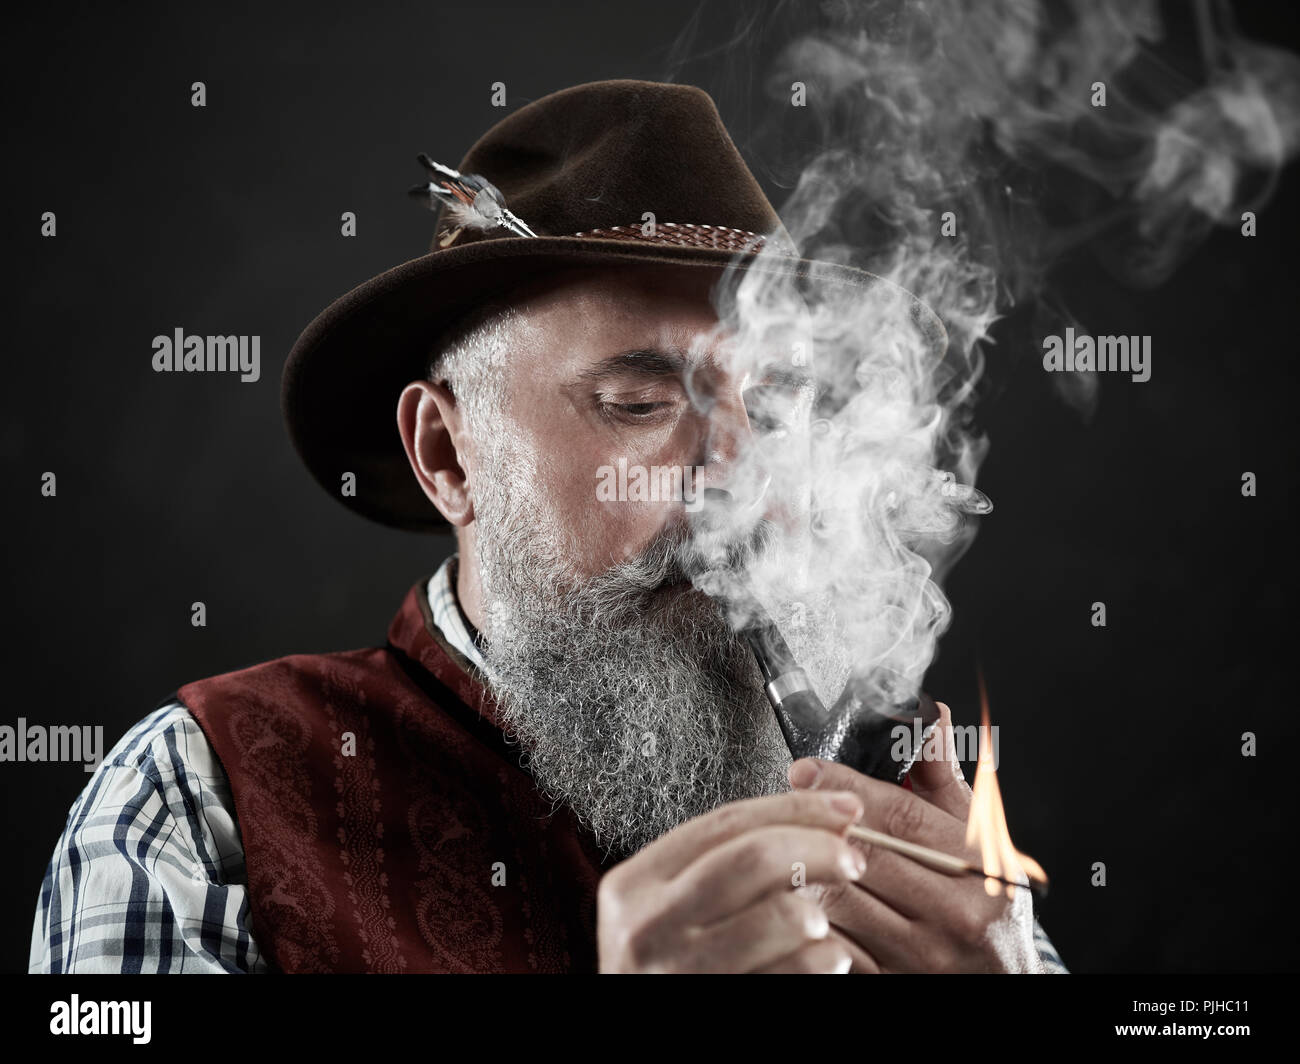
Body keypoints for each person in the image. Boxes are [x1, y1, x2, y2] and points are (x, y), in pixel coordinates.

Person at [31, 79, 1066, 974]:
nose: (743, 485)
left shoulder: (901, 805)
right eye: (638, 402)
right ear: (448, 453)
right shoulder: (201, 800)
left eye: (777, 404)